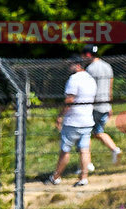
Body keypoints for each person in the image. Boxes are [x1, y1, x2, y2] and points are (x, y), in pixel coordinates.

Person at [47, 55, 96, 187]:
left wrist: (60, 115)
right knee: (84, 150)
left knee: (65, 150)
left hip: (73, 121)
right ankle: (83, 178)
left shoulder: (73, 79)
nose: (69, 67)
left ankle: (56, 177)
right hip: (87, 119)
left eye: (71, 64)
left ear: (77, 65)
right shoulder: (91, 79)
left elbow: (69, 100)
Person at [82, 44, 122, 171]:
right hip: (105, 104)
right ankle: (114, 150)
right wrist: (110, 105)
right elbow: (110, 86)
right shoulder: (107, 66)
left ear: (88, 55)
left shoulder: (90, 69)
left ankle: (87, 163)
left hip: (93, 106)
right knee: (97, 132)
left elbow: (88, 88)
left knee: (88, 133)